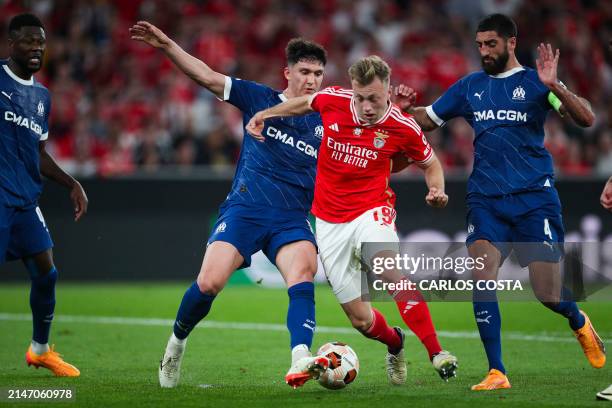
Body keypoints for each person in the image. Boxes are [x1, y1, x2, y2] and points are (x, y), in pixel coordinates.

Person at [396, 13, 604, 390]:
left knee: (547, 293)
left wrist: (554, 83)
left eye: (491, 44)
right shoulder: (470, 86)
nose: (484, 51)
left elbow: (586, 118)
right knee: (481, 276)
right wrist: (404, 109)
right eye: (479, 45)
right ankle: (497, 371)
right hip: (485, 199)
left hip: (534, 200)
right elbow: (429, 119)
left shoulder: (537, 83)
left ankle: (578, 321)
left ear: (510, 43)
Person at [129, 21, 329, 388]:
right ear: (288, 73)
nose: (312, 80)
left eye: (318, 73)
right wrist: (167, 45)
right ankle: (175, 345)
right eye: (304, 72)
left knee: (302, 276)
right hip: (245, 210)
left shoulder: (328, 120)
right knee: (209, 282)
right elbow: (206, 76)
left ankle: (301, 357)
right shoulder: (259, 99)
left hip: (292, 219)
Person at [247, 55, 458, 384]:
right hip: (330, 222)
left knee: (391, 272)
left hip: (372, 211)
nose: (366, 106)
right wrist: (265, 114)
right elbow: (304, 103)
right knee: (361, 320)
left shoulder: (403, 127)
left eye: (374, 98)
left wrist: (437, 191)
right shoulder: (335, 100)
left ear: (388, 91)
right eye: (360, 97)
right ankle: (396, 343)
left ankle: (437, 352)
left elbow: (431, 165)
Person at [1, 13, 88, 377]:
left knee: (46, 273)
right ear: (11, 44)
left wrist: (71, 183)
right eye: (28, 41)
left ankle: (39, 351)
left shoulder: (41, 97)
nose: (36, 48)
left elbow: (37, 153)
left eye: (41, 43)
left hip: (24, 199)